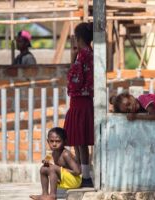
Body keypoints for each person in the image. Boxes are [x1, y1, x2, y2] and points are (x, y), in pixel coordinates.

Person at [64, 22, 94, 187]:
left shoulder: (82, 55)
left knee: (80, 141)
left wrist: (71, 62)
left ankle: (86, 177)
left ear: (78, 38)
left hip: (79, 101)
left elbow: (75, 81)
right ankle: (83, 175)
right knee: (79, 140)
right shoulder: (90, 53)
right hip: (86, 100)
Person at [30, 127, 81, 200]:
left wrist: (60, 170)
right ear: (48, 141)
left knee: (52, 168)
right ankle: (44, 194)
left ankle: (53, 195)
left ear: (65, 142)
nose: (54, 144)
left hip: (74, 181)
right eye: (52, 141)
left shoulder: (65, 154)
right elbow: (47, 164)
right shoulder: (52, 153)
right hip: (64, 179)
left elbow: (77, 171)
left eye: (58, 141)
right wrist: (45, 162)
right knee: (43, 168)